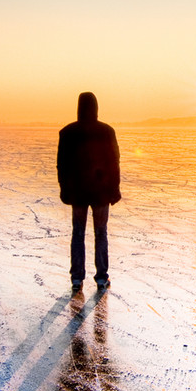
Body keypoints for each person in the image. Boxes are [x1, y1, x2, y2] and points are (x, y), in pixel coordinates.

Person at [57, 92, 121, 290]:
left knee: (78, 233)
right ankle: (101, 277)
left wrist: (65, 189)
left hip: (78, 192)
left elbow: (62, 165)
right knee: (100, 232)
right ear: (96, 107)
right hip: (101, 193)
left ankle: (77, 278)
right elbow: (114, 162)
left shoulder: (67, 132)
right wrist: (114, 189)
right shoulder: (107, 131)